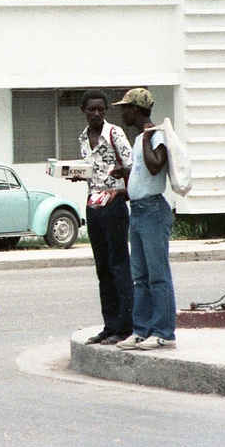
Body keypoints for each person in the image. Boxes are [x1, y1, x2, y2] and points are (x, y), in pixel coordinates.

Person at [112, 88, 178, 351]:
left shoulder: (154, 135)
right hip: (138, 210)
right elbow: (141, 172)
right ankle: (142, 330)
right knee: (140, 275)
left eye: (126, 108)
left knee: (157, 276)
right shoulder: (141, 137)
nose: (123, 113)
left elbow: (155, 166)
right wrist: (123, 179)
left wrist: (147, 137)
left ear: (136, 110)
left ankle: (164, 333)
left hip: (152, 210)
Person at [72, 89, 135, 346]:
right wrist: (78, 174)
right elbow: (92, 172)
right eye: (91, 109)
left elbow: (132, 165)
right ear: (83, 111)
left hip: (115, 203)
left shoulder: (115, 133)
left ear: (106, 110)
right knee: (103, 269)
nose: (96, 113)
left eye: (100, 109)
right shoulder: (83, 137)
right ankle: (109, 326)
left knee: (119, 266)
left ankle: (125, 327)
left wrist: (122, 188)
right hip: (94, 205)